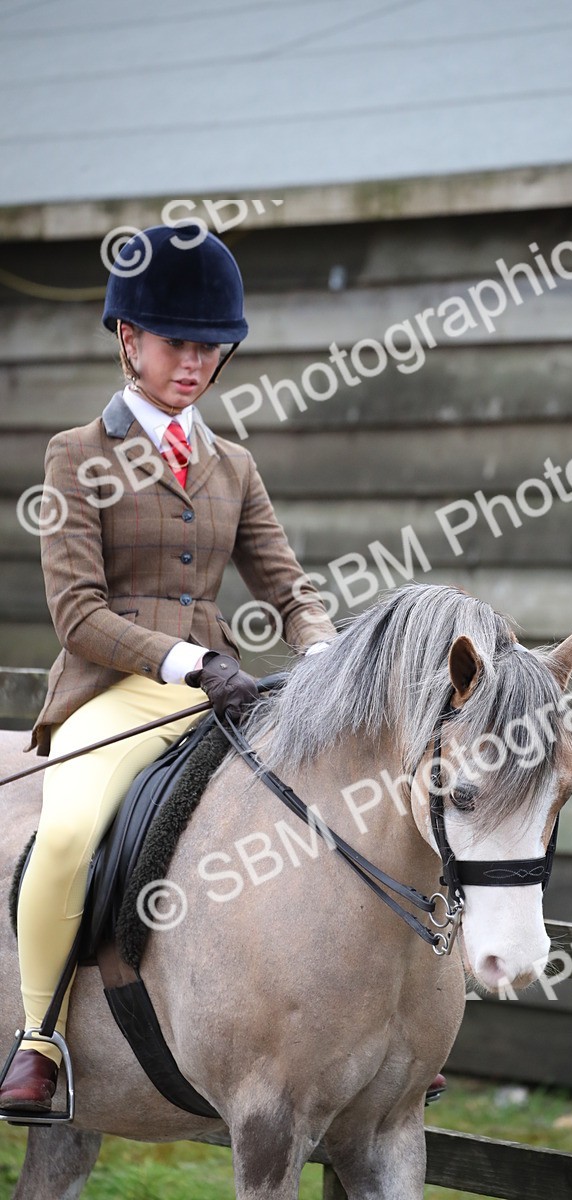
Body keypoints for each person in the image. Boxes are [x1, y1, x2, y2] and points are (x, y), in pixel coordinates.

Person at [0, 224, 337, 1113]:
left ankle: (357, 1022)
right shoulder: (77, 457)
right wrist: (188, 661)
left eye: (208, 345)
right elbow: (78, 615)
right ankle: (38, 1040)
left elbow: (283, 578)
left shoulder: (233, 465)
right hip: (116, 693)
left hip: (223, 691)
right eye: (176, 342)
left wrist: (323, 646)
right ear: (128, 339)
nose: (194, 361)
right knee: (68, 835)